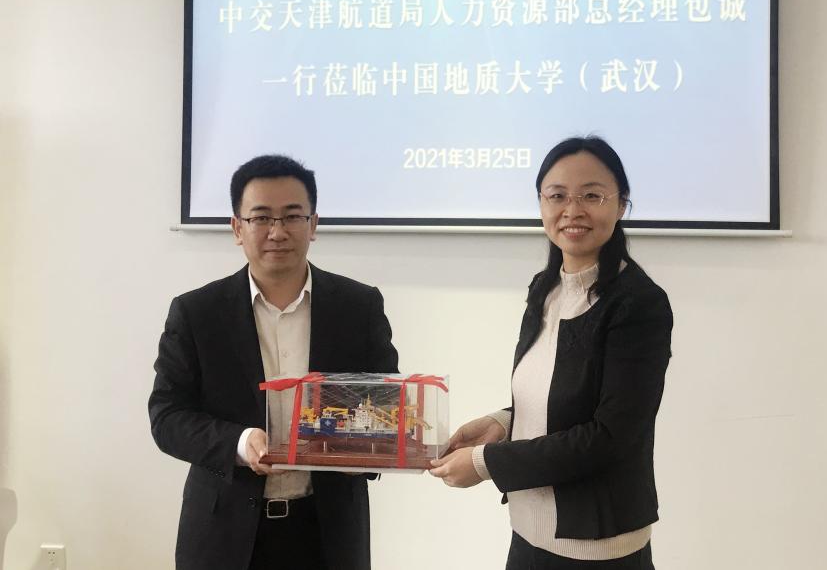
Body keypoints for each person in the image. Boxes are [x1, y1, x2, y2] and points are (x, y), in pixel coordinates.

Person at [429, 136, 673, 569]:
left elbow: (609, 437)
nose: (572, 210)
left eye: (592, 196)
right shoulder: (545, 290)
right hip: (528, 531)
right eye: (557, 196)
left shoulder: (638, 304)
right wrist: (502, 423)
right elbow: (556, 394)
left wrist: (485, 463)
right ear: (541, 204)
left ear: (621, 205)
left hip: (599, 542)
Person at [149, 154, 398, 570]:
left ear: (313, 224)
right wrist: (239, 442)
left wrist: (364, 454)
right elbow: (167, 416)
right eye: (261, 217)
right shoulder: (197, 313)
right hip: (223, 535)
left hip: (328, 532)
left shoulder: (359, 306)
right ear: (237, 228)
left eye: (292, 216)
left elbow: (386, 407)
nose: (277, 232)